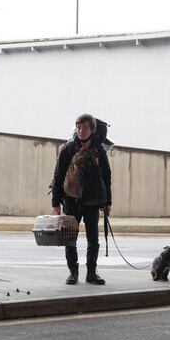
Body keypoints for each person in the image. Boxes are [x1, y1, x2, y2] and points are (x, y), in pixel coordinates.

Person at [51, 113, 112, 285]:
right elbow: (58, 176)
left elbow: (107, 177)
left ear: (92, 129)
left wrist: (108, 202)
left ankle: (91, 273)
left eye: (85, 127)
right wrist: (55, 203)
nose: (81, 131)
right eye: (78, 127)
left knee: (93, 239)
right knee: (69, 238)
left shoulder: (99, 151)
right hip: (71, 200)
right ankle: (73, 272)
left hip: (93, 202)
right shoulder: (67, 149)